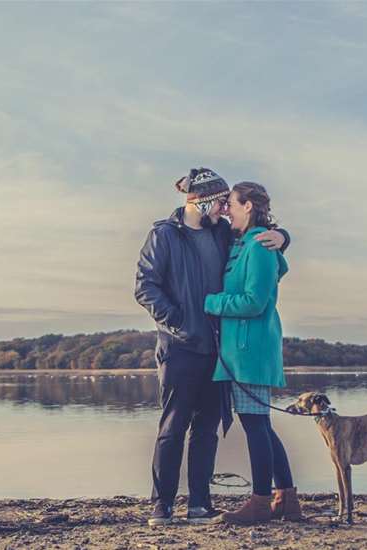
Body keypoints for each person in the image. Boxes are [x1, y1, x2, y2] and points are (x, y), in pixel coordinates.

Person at [134, 168, 290, 526]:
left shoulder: (222, 233)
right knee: (172, 427)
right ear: (201, 203)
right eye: (219, 202)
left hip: (219, 351)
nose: (223, 209)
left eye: (226, 203)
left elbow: (258, 241)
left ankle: (199, 504)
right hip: (179, 346)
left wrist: (283, 235)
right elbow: (145, 287)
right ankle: (163, 506)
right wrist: (180, 321)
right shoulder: (163, 235)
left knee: (206, 429)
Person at [203, 181, 300, 525]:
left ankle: (260, 503)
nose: (226, 208)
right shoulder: (243, 242)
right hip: (242, 350)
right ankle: (286, 500)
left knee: (256, 426)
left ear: (248, 206)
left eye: (231, 202)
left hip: (250, 350)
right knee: (261, 426)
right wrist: (284, 236)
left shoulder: (259, 245)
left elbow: (254, 301)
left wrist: (210, 303)